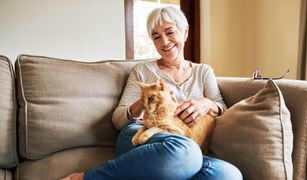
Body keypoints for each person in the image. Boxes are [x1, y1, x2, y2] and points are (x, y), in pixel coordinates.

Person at [63, 6, 242, 180]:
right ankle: (86, 178)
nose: (164, 42)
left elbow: (222, 108)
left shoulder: (203, 72)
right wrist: (147, 100)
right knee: (185, 151)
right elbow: (118, 119)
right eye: (156, 37)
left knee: (228, 174)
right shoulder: (142, 71)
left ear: (185, 32)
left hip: (185, 146)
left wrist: (207, 104)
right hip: (141, 134)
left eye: (170, 32)